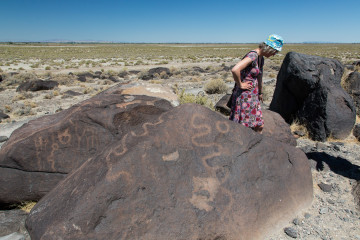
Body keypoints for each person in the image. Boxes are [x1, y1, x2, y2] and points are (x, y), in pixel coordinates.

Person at [228, 34, 284, 133]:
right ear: (269, 49)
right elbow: (235, 69)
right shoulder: (253, 55)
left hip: (253, 95)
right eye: (275, 51)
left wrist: (260, 92)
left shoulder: (260, 58)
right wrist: (240, 84)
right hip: (244, 95)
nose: (274, 54)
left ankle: (257, 145)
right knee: (243, 127)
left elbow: (259, 76)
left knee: (259, 125)